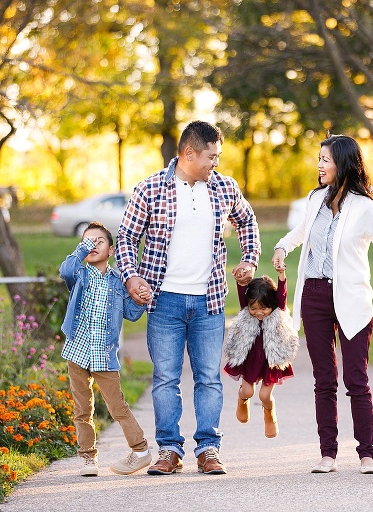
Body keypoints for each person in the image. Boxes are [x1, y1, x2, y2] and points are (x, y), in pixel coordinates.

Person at [116, 120, 260, 476]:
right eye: (211, 156)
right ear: (189, 153)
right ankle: (169, 449)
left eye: (218, 156)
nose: (216, 163)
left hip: (209, 301)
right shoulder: (150, 188)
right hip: (163, 301)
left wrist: (250, 257)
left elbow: (247, 221)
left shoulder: (224, 187)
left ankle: (208, 449)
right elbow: (125, 238)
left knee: (208, 377)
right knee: (165, 378)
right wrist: (131, 276)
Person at [272, 134, 373, 475]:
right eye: (319, 158)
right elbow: (299, 232)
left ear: (342, 164)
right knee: (324, 379)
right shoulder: (314, 199)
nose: (319, 165)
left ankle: (367, 454)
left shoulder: (365, 207)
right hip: (314, 295)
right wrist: (283, 248)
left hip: (352, 299)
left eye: (325, 160)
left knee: (356, 379)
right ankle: (327, 453)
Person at [59, 221, 153, 477]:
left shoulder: (117, 282)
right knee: (82, 409)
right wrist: (81, 250)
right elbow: (65, 269)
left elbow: (132, 314)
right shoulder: (79, 273)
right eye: (87, 241)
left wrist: (144, 300)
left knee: (117, 407)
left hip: (104, 355)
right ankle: (88, 458)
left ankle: (141, 449)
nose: (92, 245)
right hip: (77, 352)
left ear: (111, 250)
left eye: (98, 241)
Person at [223, 266, 298, 438]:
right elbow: (243, 292)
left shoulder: (278, 312)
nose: (258, 313)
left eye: (263, 308)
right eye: (254, 308)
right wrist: (241, 279)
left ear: (273, 305)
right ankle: (242, 400)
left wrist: (281, 274)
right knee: (248, 392)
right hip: (250, 358)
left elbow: (282, 294)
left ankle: (270, 416)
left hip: (271, 360)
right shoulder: (246, 312)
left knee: (265, 395)